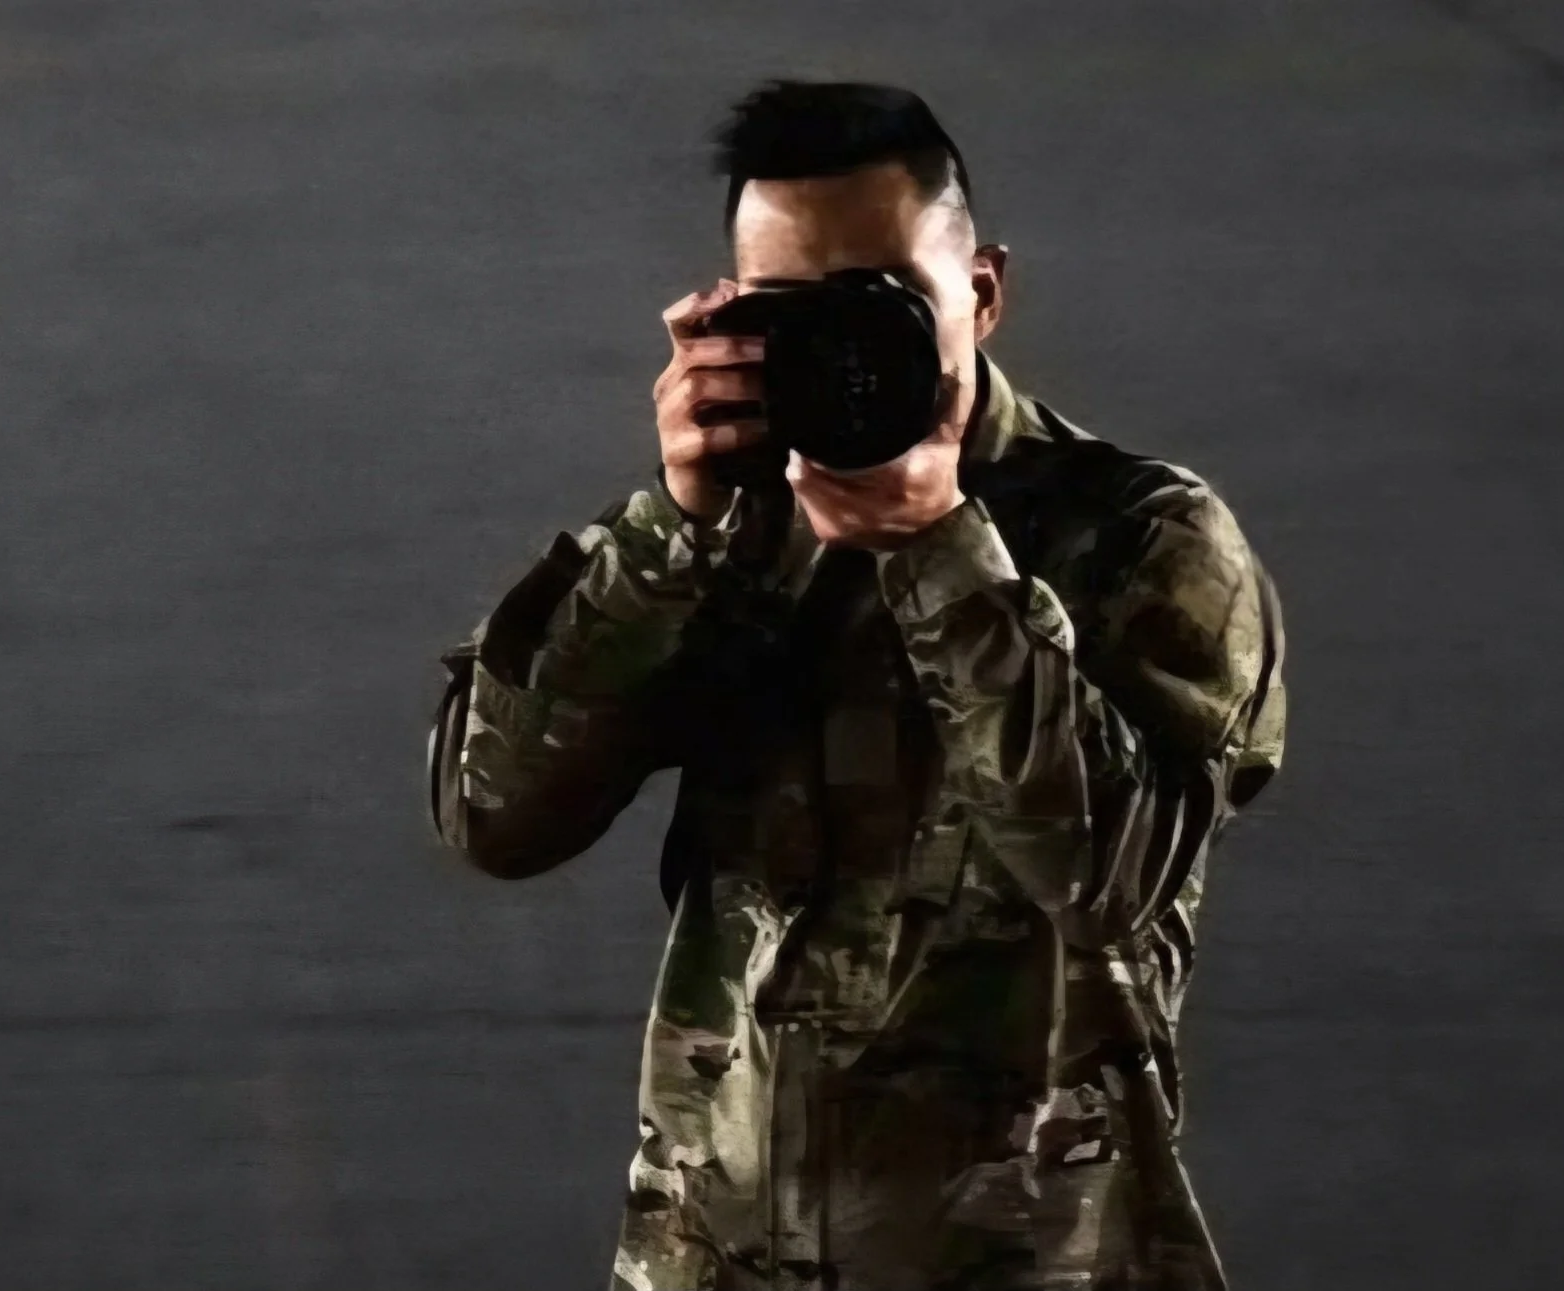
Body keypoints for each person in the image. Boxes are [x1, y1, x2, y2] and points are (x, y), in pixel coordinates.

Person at [428, 79, 1287, 1291]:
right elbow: (492, 816)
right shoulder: (726, 537)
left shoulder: (1145, 537)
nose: (843, 347)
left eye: (880, 303)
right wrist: (670, 529)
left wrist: (941, 552)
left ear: (981, 292)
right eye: (792, 313)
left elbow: (1111, 877)